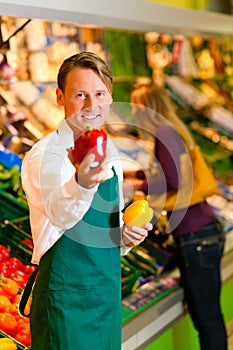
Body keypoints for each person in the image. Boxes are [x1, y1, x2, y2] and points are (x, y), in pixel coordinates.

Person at [20, 52, 152, 350]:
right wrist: (83, 183)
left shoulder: (112, 154)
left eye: (99, 94)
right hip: (66, 300)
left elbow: (107, 234)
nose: (91, 105)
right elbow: (61, 215)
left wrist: (126, 236)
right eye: (80, 95)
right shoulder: (46, 156)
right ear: (59, 96)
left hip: (105, 297)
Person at [127, 83, 228, 350]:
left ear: (151, 106)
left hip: (195, 236)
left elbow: (173, 179)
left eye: (138, 106)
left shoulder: (163, 133)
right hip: (205, 231)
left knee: (206, 319)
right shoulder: (174, 129)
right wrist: (134, 175)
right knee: (211, 314)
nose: (135, 112)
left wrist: (137, 186)